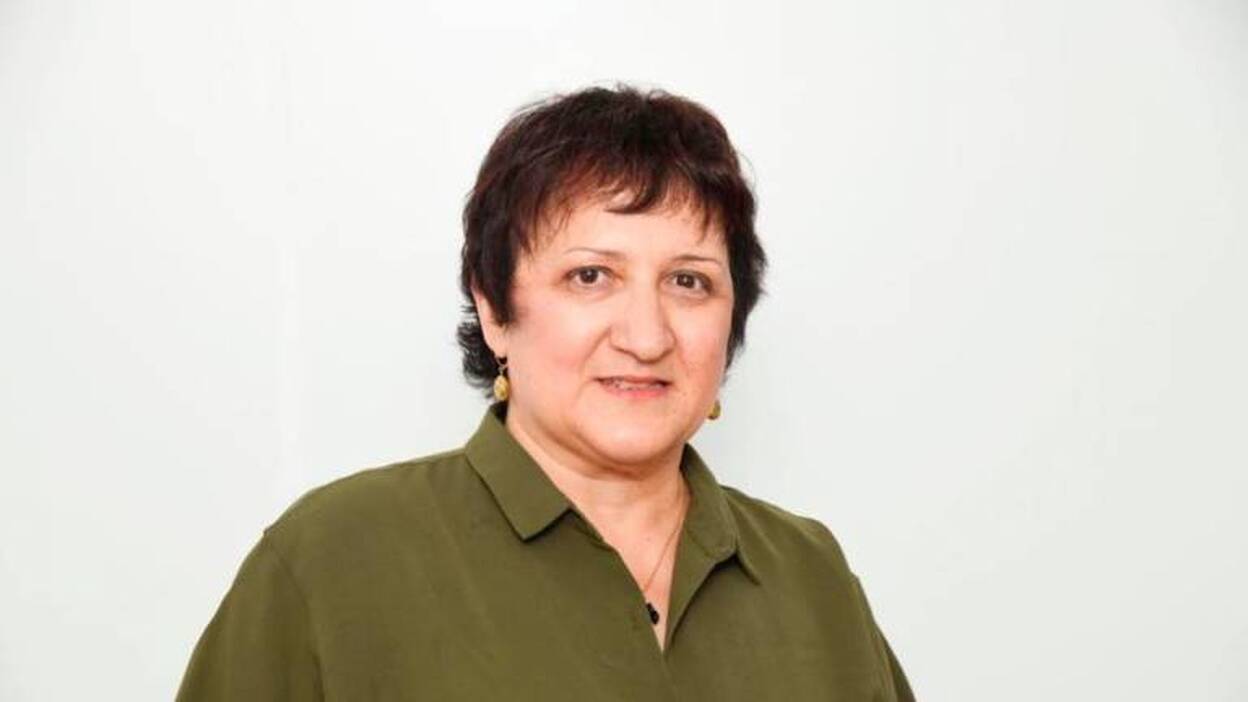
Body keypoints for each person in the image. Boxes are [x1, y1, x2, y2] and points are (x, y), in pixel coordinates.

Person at [177, 84, 915, 701]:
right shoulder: (334, 560)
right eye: (591, 276)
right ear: (495, 309)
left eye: (689, 281)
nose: (647, 336)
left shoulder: (812, 577)